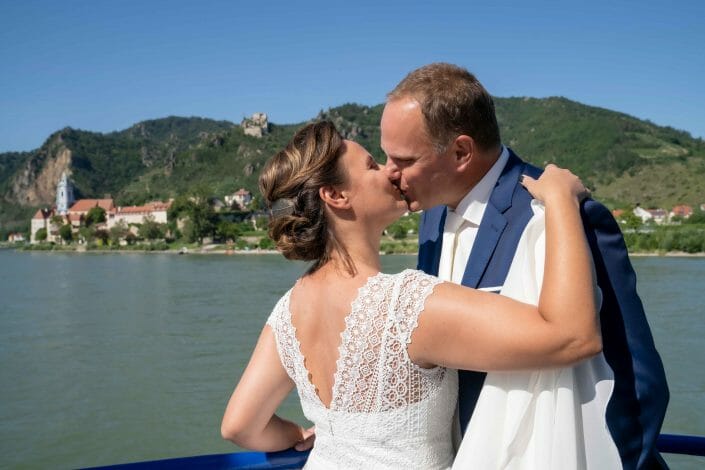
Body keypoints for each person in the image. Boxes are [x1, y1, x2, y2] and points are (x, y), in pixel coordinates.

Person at [221, 121, 600, 469]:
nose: (389, 171)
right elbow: (572, 336)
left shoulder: (287, 311)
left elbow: (239, 425)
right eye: (371, 166)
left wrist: (296, 435)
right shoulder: (406, 305)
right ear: (336, 195)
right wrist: (561, 201)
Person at [380, 63, 669, 469]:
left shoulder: (561, 215)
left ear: (461, 152)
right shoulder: (430, 216)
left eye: (403, 160)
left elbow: (637, 376)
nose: (390, 174)